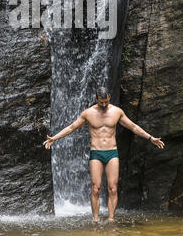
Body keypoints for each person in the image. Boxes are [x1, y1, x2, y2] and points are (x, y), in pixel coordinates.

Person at [43, 86, 165, 222]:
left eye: (106, 101)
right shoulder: (88, 113)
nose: (104, 104)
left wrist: (150, 138)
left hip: (112, 152)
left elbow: (133, 126)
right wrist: (54, 138)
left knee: (113, 188)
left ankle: (111, 219)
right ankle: (95, 219)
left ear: (109, 98)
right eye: (101, 102)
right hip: (96, 153)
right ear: (96, 99)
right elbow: (71, 127)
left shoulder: (117, 112)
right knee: (96, 188)